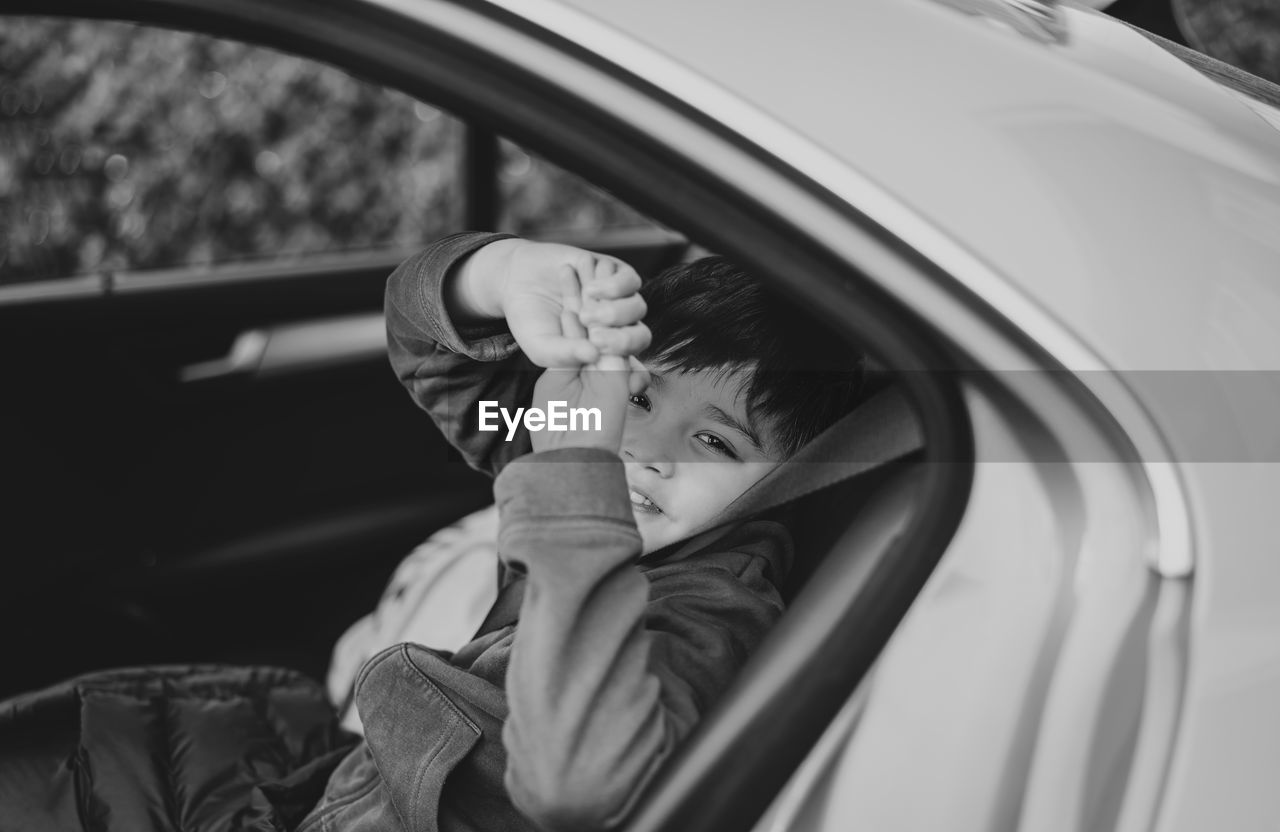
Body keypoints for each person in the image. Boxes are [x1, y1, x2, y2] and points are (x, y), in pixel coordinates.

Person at [301, 232, 867, 832]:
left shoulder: (714, 610)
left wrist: (576, 479)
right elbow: (423, 344)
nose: (642, 447)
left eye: (715, 442)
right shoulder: (579, 442)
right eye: (640, 396)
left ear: (783, 487)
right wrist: (506, 272)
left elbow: (578, 786)